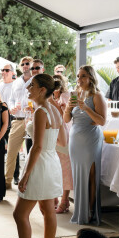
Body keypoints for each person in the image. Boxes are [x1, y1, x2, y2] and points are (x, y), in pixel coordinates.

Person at [14, 74, 67, 238]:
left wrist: (25, 175)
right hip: (52, 161)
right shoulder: (55, 110)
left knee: (19, 214)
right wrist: (49, 145)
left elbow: (37, 147)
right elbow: (63, 142)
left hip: (39, 163)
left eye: (32, 85)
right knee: (47, 210)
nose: (28, 88)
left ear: (42, 90)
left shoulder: (40, 112)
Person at [64, 65, 107, 225]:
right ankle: (80, 211)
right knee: (78, 175)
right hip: (75, 140)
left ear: (90, 78)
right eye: (78, 76)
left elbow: (102, 121)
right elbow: (66, 119)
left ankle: (89, 212)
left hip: (90, 140)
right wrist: (68, 108)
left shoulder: (97, 95)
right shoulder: (75, 94)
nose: (79, 79)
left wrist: (87, 108)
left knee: (90, 175)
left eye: (83, 76)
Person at [5, 56, 33, 188]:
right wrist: (11, 108)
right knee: (11, 151)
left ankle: (31, 182)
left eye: (27, 63)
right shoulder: (16, 82)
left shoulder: (36, 80)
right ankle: (7, 182)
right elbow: (11, 100)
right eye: (23, 64)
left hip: (33, 120)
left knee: (33, 153)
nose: (25, 66)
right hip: (18, 120)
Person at [52, 74, 73, 214]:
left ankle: (64, 200)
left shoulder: (66, 96)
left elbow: (65, 118)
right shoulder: (51, 97)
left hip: (65, 133)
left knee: (65, 168)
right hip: (53, 134)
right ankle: (55, 197)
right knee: (55, 167)